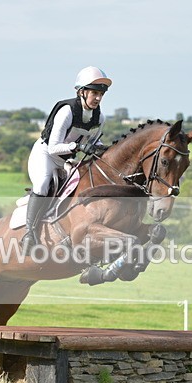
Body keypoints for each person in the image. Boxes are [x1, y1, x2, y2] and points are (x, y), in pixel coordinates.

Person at [21, 66, 112, 253]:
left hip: (67, 160)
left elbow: (95, 140)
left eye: (101, 94)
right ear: (81, 92)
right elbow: (54, 147)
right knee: (43, 184)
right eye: (94, 93)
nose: (98, 98)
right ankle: (29, 233)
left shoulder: (99, 117)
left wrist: (105, 148)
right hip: (45, 154)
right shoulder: (67, 111)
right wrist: (78, 147)